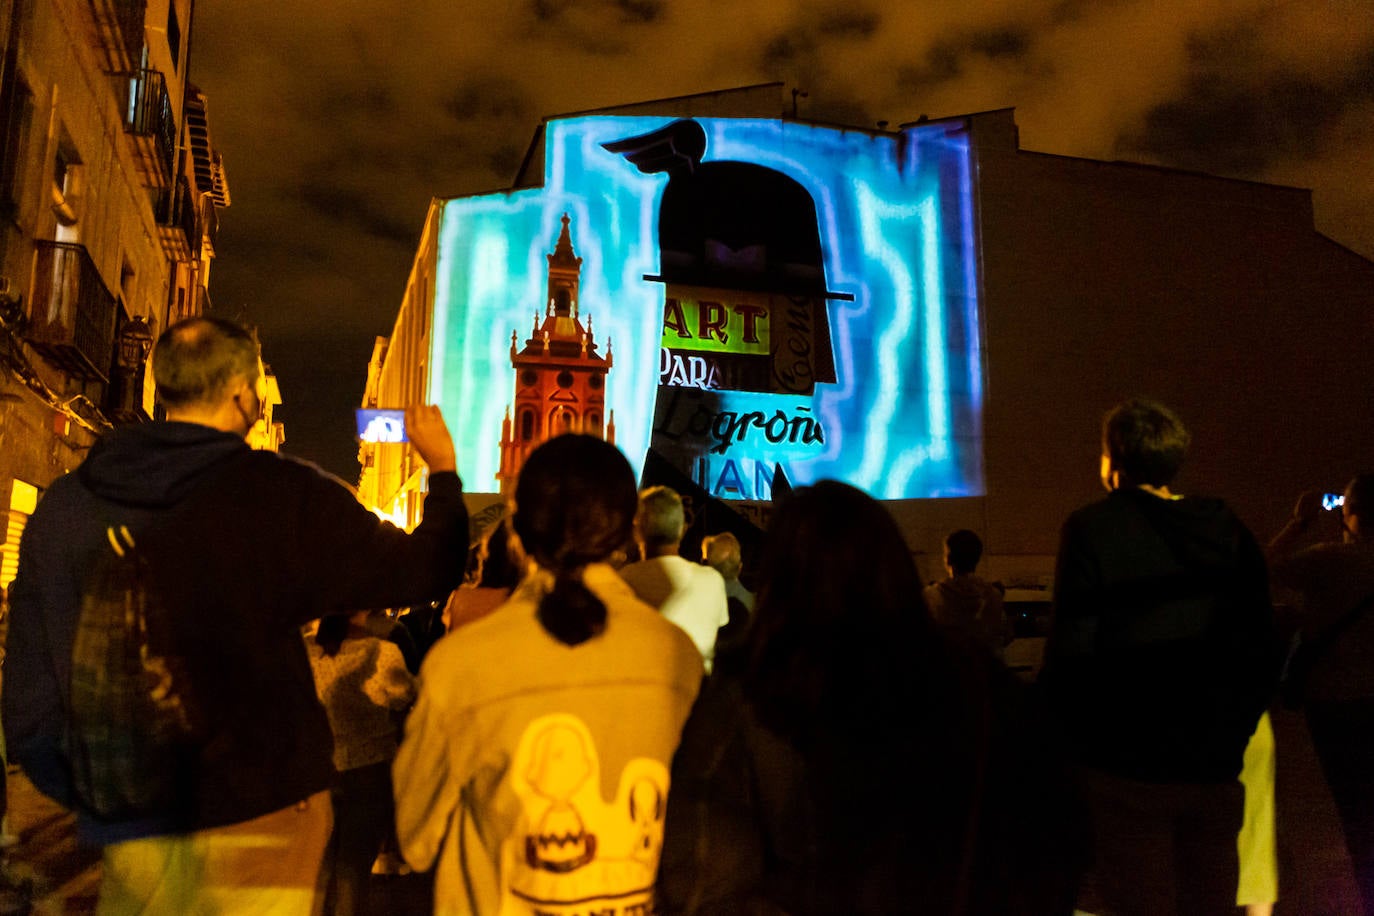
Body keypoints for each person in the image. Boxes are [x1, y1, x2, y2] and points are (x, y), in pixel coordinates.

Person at [1, 316, 468, 914]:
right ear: (247, 395)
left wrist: (88, 785)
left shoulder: (68, 505)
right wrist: (444, 474)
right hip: (263, 805)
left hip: (136, 808)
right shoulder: (286, 497)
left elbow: (31, 684)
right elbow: (422, 571)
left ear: (163, 386)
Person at [657, 480, 1085, 914]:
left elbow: (703, 874)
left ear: (778, 578)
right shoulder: (981, 684)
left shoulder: (747, 700)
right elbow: (1053, 833)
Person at [393, 435, 702, 915]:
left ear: (517, 532)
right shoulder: (677, 655)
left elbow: (416, 838)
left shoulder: (464, 663)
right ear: (626, 534)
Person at [1040, 398, 1277, 916]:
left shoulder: (1092, 528)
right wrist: (1231, 732)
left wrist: (1070, 745)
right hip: (1214, 765)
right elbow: (1262, 640)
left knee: (1139, 901)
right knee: (1210, 901)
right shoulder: (1226, 527)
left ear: (1114, 461)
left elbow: (1071, 653)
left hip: (1127, 767)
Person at [1268, 474, 1374, 913]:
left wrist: (1299, 522)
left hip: (1336, 705)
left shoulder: (1331, 561)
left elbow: (1261, 569)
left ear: (1351, 512)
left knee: (1356, 809)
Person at [308, 610, 417, 916]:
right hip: (369, 770)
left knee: (321, 865)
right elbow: (404, 696)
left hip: (321, 770)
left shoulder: (308, 652)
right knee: (353, 870)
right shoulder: (383, 652)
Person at [618, 486, 729, 671]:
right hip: (699, 692)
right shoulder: (712, 581)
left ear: (637, 531)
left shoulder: (622, 582)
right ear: (681, 530)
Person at [924, 529, 1009, 658]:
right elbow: (1006, 634)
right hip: (984, 672)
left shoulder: (932, 596)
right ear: (977, 558)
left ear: (948, 559)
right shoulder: (994, 595)